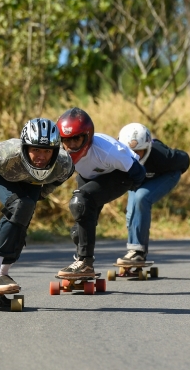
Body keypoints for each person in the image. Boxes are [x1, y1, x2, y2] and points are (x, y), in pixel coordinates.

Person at [0, 118, 74, 294]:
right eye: (35, 150)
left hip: (32, 181)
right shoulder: (2, 155)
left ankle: (3, 273)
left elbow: (61, 178)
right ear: (25, 147)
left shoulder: (64, 164)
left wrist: (42, 193)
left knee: (25, 211)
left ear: (55, 151)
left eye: (47, 151)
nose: (41, 156)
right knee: (18, 206)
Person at [56, 108, 146, 277]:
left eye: (77, 139)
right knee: (78, 231)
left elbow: (138, 173)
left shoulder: (108, 151)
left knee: (80, 202)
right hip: (89, 177)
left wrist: (130, 191)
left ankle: (85, 262)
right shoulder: (58, 153)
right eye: (66, 140)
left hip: (121, 175)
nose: (71, 145)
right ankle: (81, 262)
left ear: (88, 136)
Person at [116, 123, 190, 264]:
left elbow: (185, 159)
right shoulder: (115, 156)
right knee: (131, 214)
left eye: (139, 151)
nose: (134, 156)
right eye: (130, 152)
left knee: (141, 198)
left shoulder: (162, 155)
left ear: (148, 148)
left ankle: (137, 251)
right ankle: (136, 253)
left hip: (165, 175)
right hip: (139, 179)